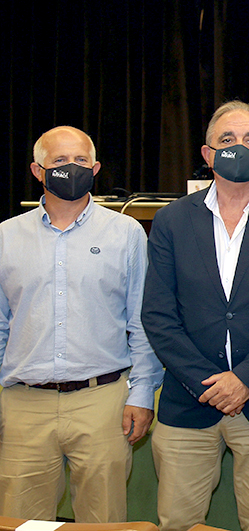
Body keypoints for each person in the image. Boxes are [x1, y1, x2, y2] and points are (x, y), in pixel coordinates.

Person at [142, 101, 249, 531]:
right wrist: (208, 383)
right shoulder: (170, 220)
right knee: (177, 523)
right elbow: (158, 315)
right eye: (227, 140)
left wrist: (245, 380)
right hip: (189, 402)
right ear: (207, 154)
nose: (238, 147)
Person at [0, 126, 163, 523]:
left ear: (96, 168)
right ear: (38, 171)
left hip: (102, 401)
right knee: (21, 523)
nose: (70, 168)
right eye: (59, 161)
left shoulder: (125, 233)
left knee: (104, 521)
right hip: (24, 403)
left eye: (80, 161)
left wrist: (142, 393)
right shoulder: (7, 235)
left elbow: (142, 320)